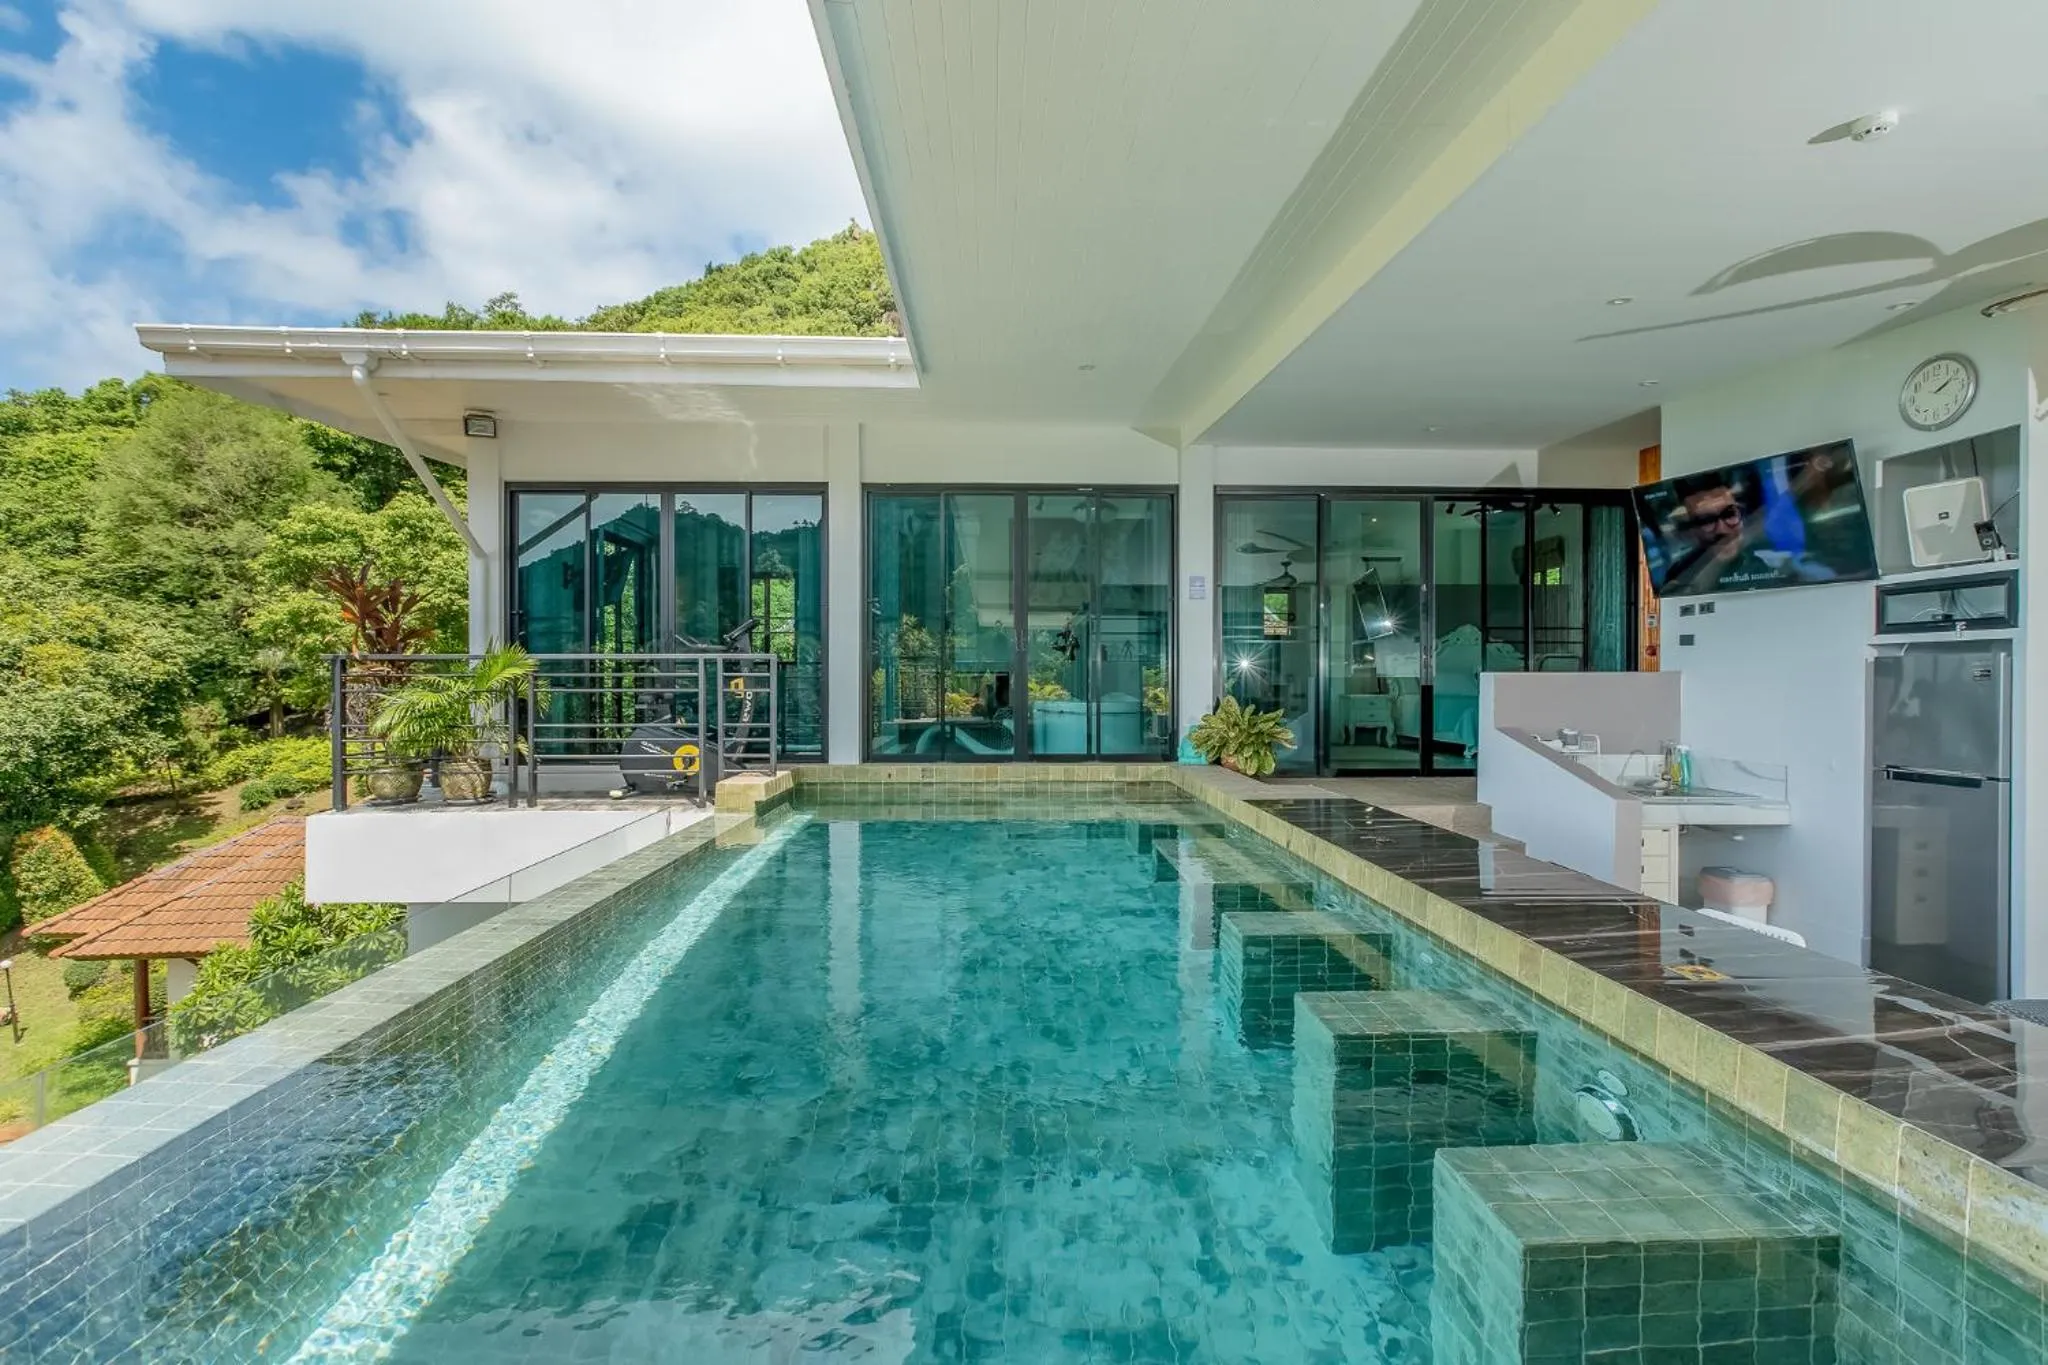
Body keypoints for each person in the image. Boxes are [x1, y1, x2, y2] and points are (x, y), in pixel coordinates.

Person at [1661, 470, 1838, 594]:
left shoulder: (1770, 560)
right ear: (1692, 531)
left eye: (1729, 514)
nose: (1722, 528)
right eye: (1706, 521)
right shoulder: (1679, 579)